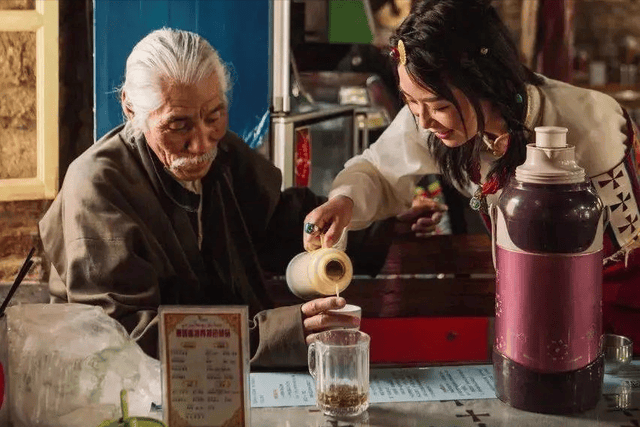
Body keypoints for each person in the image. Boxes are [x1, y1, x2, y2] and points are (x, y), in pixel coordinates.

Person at [303, 0, 640, 354]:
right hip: (526, 307)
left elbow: (620, 266)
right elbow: (377, 169)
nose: (423, 122)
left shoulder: (587, 130)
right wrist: (344, 201)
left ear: (486, 83)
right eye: (410, 102)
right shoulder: (432, 113)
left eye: (439, 107)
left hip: (609, 315)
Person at [38, 28, 360, 367]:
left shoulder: (223, 154)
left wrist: (357, 217)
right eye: (179, 125)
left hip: (218, 371)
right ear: (132, 111)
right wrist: (275, 335)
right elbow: (124, 335)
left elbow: (281, 221)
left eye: (214, 116)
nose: (202, 143)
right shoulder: (97, 187)